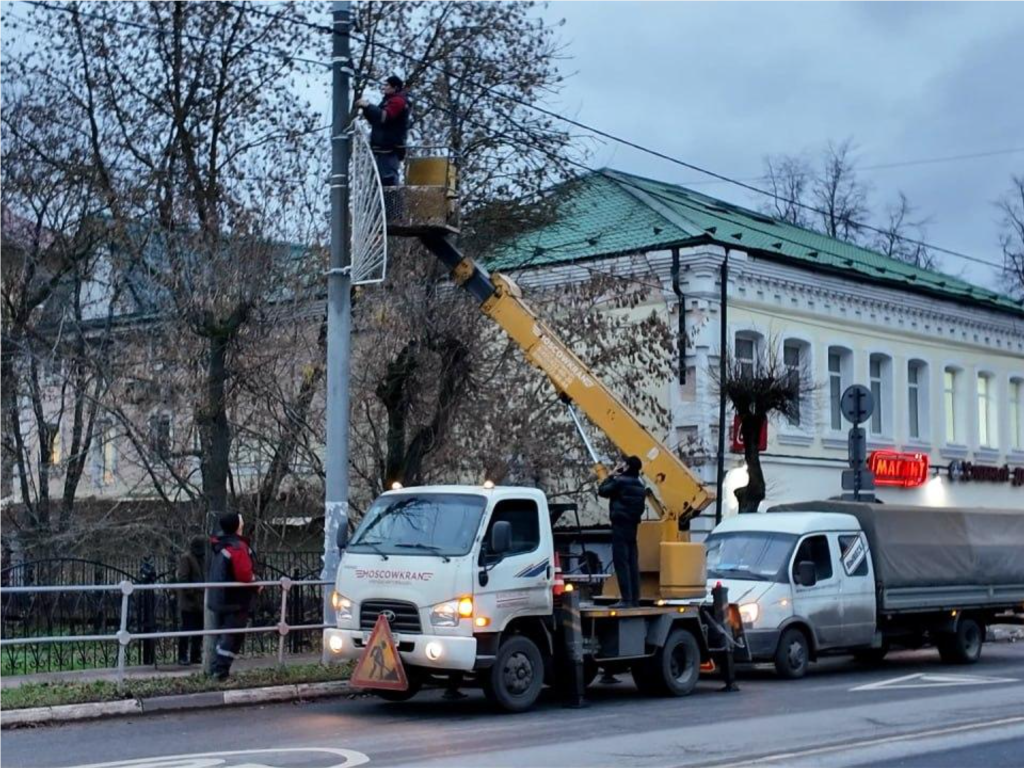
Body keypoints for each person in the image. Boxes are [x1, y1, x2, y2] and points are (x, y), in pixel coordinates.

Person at [208, 513, 258, 681]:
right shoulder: (236, 547)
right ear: (237, 525)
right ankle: (220, 672)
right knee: (232, 637)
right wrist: (256, 582)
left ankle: (217, 669)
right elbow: (244, 574)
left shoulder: (222, 544)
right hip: (235, 600)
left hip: (222, 597)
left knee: (226, 636)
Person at [598, 456, 646, 608]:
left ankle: (625, 599)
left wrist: (611, 475)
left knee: (621, 562)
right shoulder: (640, 485)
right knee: (632, 562)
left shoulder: (619, 482)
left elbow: (602, 491)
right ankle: (634, 599)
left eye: (622, 464)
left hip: (619, 524)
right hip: (632, 526)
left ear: (626, 467)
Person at [355, 75, 411, 187]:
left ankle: (392, 204)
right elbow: (377, 120)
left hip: (389, 149)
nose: (384, 88)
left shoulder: (398, 101)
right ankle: (386, 204)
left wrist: (368, 106)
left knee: (388, 183)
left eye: (387, 85)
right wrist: (366, 109)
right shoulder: (388, 101)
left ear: (395, 88)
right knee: (379, 184)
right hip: (382, 149)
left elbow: (384, 117)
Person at [176, 536, 206, 666]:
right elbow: (183, 578)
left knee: (199, 629)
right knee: (186, 629)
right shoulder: (186, 558)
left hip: (200, 600)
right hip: (189, 601)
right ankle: (182, 655)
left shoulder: (203, 558)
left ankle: (195, 654)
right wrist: (191, 592)